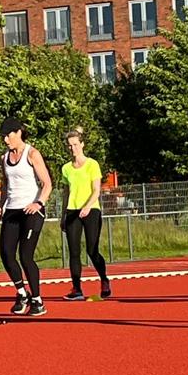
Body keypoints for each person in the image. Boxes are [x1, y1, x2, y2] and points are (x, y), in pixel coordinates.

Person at [0, 117, 53, 316]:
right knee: (6, 254)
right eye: (3, 136)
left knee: (26, 256)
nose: (5, 140)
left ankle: (37, 300)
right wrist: (1, 206)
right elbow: (5, 185)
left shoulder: (32, 154)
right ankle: (22, 293)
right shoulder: (4, 158)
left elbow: (47, 183)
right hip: (12, 210)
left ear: (18, 133)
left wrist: (38, 203)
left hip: (31, 210)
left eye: (8, 135)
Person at [60, 128, 111, 301]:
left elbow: (96, 190)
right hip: (72, 211)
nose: (72, 148)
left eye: (75, 144)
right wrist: (63, 215)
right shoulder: (66, 168)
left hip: (91, 210)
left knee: (92, 249)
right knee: (74, 251)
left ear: (82, 144)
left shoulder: (92, 164)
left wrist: (88, 207)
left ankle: (104, 279)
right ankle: (76, 288)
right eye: (69, 145)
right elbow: (66, 193)